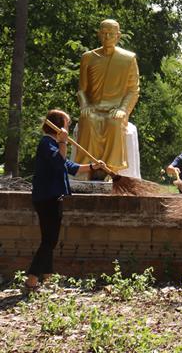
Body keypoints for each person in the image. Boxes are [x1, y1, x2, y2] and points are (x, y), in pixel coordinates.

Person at [25, 109, 106, 291]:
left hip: (50, 197)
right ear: (57, 126)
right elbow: (58, 162)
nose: (68, 128)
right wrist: (63, 142)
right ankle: (31, 279)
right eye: (67, 124)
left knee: (49, 238)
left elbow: (70, 167)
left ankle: (47, 276)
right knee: (49, 240)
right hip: (47, 198)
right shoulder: (47, 143)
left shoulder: (53, 144)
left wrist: (93, 166)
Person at [76, 19, 140, 177]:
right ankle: (86, 169)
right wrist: (85, 105)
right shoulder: (88, 57)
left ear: (118, 36)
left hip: (115, 109)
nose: (107, 37)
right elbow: (82, 90)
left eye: (111, 34)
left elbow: (133, 89)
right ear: (99, 34)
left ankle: (111, 171)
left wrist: (123, 109)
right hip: (94, 107)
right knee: (88, 121)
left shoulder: (128, 59)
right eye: (104, 33)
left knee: (114, 123)